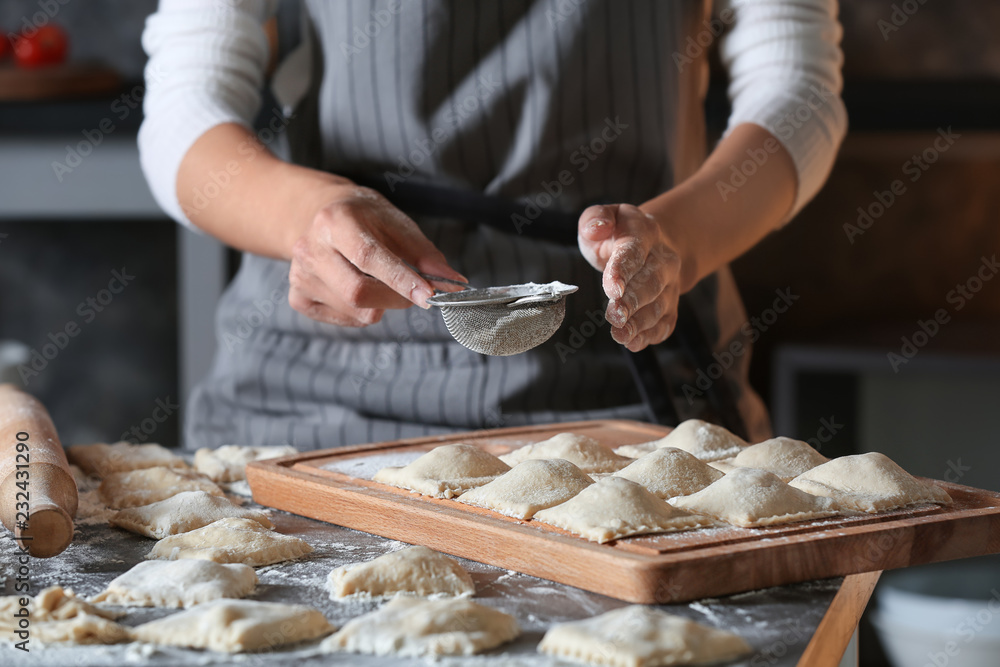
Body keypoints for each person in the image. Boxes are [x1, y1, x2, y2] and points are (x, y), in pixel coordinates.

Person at [138, 0, 846, 450]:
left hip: (625, 387)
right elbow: (182, 111)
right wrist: (305, 216)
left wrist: (676, 240)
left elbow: (797, 88)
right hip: (313, 395)